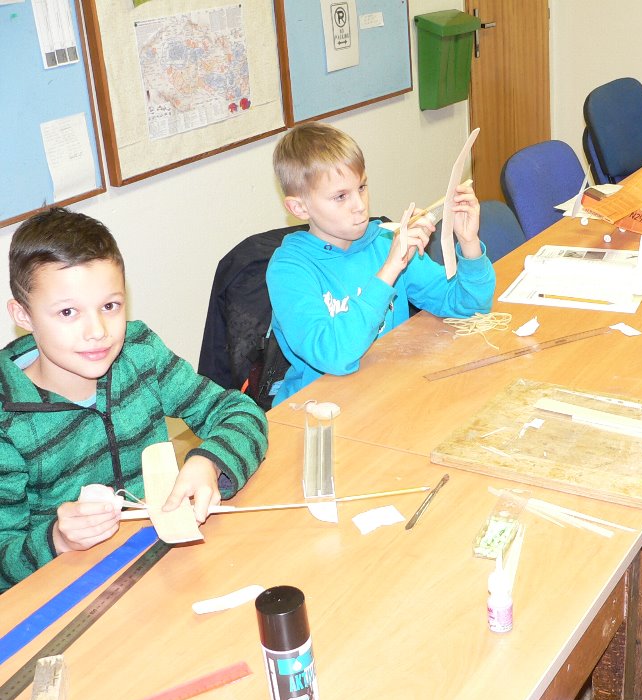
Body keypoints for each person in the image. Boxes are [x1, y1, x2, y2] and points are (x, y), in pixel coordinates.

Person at [0, 208, 269, 592]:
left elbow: (240, 410)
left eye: (110, 306)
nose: (97, 331)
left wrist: (209, 462)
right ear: (23, 315)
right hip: (71, 596)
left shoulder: (139, 353)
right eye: (68, 312)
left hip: (163, 568)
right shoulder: (8, 420)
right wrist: (57, 539)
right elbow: (4, 561)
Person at [266, 122, 496, 405]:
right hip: (320, 408)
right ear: (299, 208)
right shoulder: (289, 269)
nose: (360, 205)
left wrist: (469, 242)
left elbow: (470, 306)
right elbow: (334, 356)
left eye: (361, 187)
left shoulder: (384, 242)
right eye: (340, 196)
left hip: (387, 393)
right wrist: (389, 270)